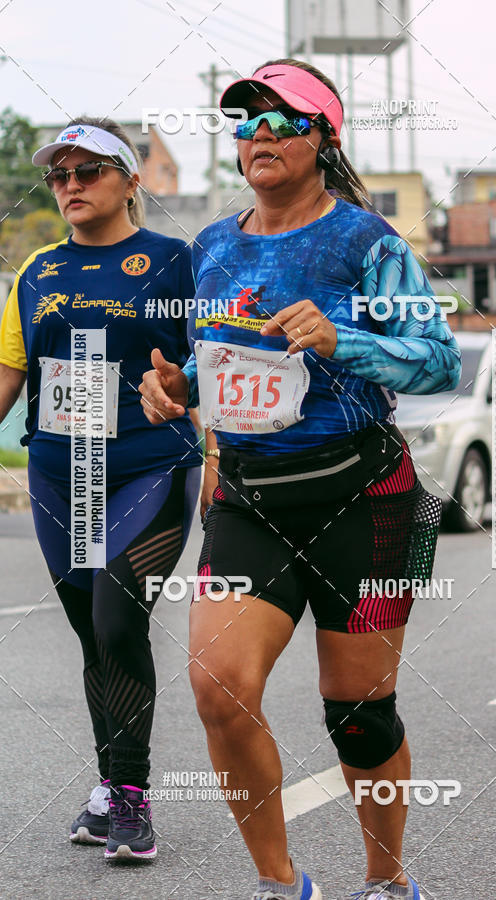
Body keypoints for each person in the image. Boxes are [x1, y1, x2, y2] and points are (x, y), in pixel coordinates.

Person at [139, 60, 461, 899]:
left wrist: (340, 340)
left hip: (366, 497)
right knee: (218, 690)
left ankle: (388, 881)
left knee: (357, 711)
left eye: (284, 120)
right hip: (250, 497)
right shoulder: (211, 246)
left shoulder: (366, 241)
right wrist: (178, 389)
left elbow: (436, 363)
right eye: (246, 122)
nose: (261, 135)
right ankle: (285, 887)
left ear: (324, 137)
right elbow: (218, 369)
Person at [0, 117, 205, 861]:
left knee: (119, 616)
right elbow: (9, 375)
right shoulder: (37, 273)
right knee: (95, 633)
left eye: (89, 171)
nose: (71, 186)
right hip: (61, 471)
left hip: (150, 464)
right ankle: (108, 787)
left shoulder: (175, 262)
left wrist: (190, 396)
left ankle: (130, 800)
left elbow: (216, 360)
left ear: (130, 179)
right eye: (60, 175)